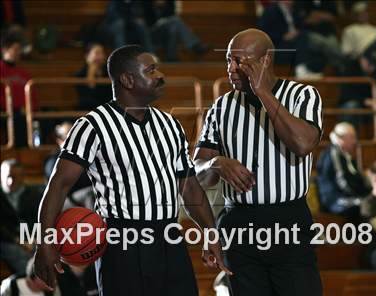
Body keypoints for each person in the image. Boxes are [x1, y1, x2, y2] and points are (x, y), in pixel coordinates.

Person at [33, 45, 230, 296]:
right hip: (121, 242)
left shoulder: (170, 125)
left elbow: (189, 186)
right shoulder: (93, 125)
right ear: (127, 79)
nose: (160, 75)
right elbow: (58, 185)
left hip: (169, 238)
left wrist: (210, 233)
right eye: (150, 70)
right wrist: (44, 242)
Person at [194, 28, 323, 295]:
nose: (231, 68)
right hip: (238, 222)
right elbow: (196, 172)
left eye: (240, 61)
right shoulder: (221, 107)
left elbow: (302, 144)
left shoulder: (303, 95)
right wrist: (216, 163)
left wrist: (263, 92)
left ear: (265, 60)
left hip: (288, 221)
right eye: (228, 60)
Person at [316, 122, 371, 220]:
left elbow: (356, 179)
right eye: (352, 137)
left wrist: (368, 194)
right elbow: (342, 183)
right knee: (361, 208)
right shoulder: (333, 154)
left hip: (348, 197)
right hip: (335, 200)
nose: (355, 141)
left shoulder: (346, 155)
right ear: (341, 138)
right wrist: (361, 197)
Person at [44, 121, 94, 210]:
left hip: (83, 194)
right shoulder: (53, 161)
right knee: (89, 193)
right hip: (63, 200)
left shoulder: (84, 157)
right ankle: (99, 223)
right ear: (60, 141)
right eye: (69, 137)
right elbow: (62, 187)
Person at [0, 33, 37, 147]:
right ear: (5, 50)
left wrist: (31, 108)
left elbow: (33, 95)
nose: (18, 52)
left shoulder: (24, 73)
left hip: (22, 112)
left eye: (19, 49)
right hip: (5, 111)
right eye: (15, 49)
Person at [75, 43, 113, 110]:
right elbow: (87, 96)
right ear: (87, 56)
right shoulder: (80, 74)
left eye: (102, 53)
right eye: (97, 53)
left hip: (106, 108)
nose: (101, 56)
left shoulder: (109, 73)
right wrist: (91, 72)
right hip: (87, 109)